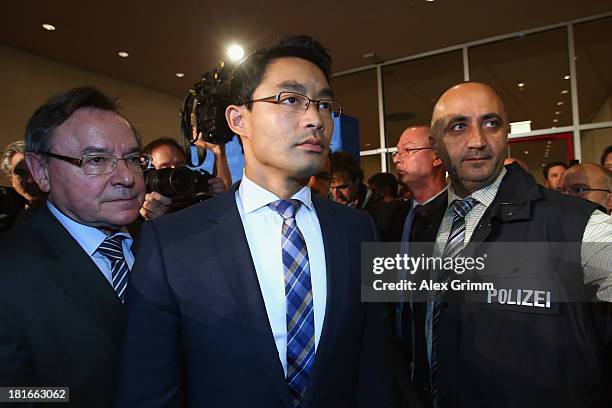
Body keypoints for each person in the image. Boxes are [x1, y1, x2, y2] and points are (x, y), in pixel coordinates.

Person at [117, 35, 398, 407]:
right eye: (290, 99)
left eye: (324, 104)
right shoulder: (171, 243)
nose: (316, 119)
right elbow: (150, 390)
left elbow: (375, 369)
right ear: (238, 119)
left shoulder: (358, 230)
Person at [405, 82, 612, 407]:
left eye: (491, 124)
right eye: (458, 126)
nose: (477, 141)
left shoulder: (579, 227)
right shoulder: (425, 227)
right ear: (436, 144)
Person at [0, 87, 146, 407]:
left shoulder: (160, 243)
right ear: (41, 172)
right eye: (96, 160)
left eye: (133, 159)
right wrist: (70, 396)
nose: (126, 177)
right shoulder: (9, 271)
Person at [139, 137, 227, 218]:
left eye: (180, 165)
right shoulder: (138, 211)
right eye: (165, 168)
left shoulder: (196, 194)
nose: (175, 172)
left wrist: (219, 199)